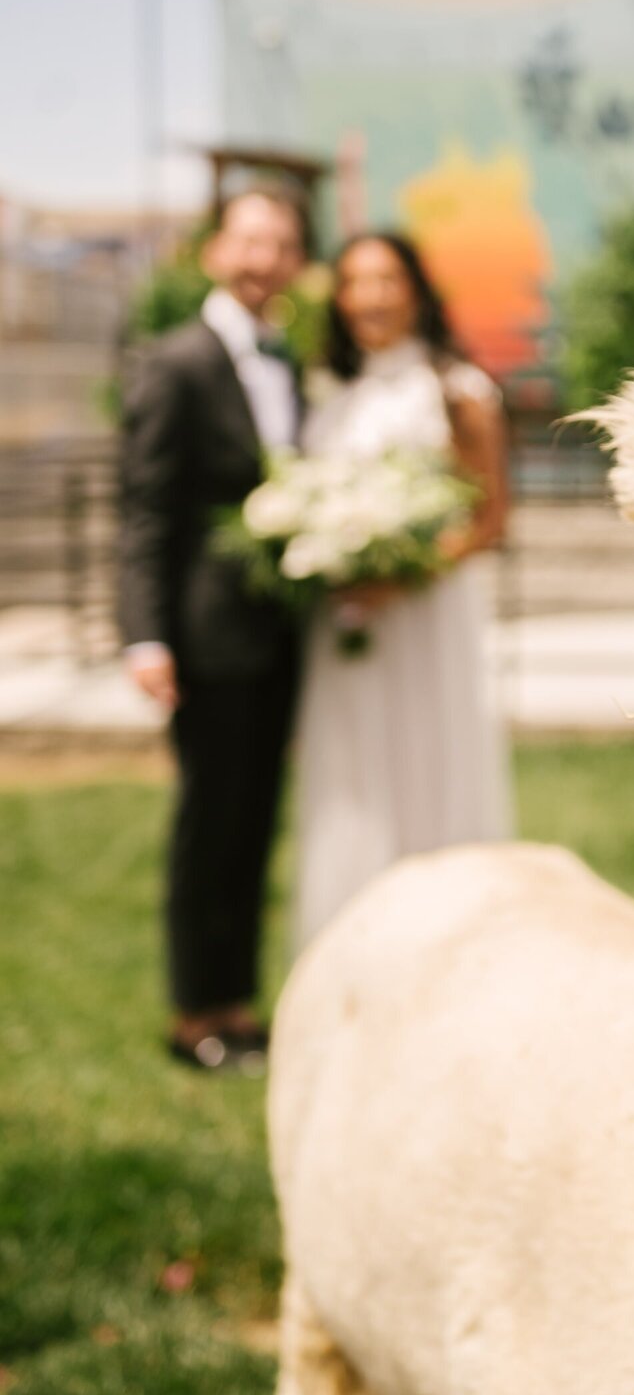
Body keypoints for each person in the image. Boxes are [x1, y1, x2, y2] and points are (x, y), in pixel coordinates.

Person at [117, 182, 308, 1071]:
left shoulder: (293, 359)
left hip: (280, 635)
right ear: (214, 251)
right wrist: (145, 635)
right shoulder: (176, 360)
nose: (264, 258)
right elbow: (146, 510)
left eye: (281, 244)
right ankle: (195, 1012)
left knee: (255, 820)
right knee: (209, 825)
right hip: (203, 637)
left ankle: (237, 1005)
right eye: (250, 240)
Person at [294, 232, 510, 950]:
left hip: (424, 617)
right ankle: (351, 940)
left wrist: (403, 574)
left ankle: (447, 942)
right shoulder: (331, 398)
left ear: (415, 288)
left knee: (427, 764)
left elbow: (488, 519)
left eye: (386, 279)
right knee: (354, 776)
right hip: (347, 622)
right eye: (355, 282)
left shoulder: (457, 390)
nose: (371, 297)